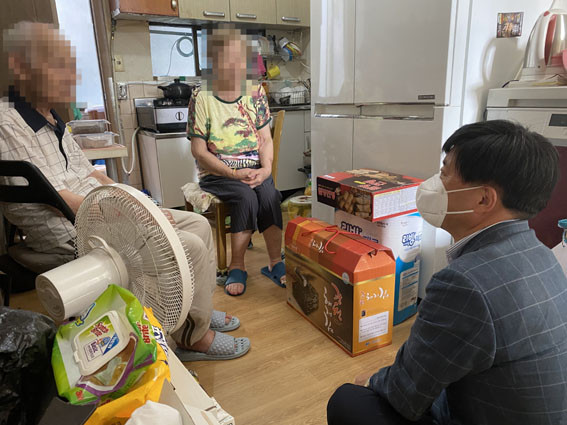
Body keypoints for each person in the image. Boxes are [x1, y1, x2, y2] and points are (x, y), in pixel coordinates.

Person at [0, 21, 249, 362]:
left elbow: (91, 173)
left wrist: (138, 202)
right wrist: (136, 214)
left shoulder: (52, 118)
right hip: (77, 230)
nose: (67, 72)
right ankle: (194, 337)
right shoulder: (8, 122)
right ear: (20, 67)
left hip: (102, 214)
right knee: (187, 246)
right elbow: (57, 200)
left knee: (198, 224)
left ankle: (196, 312)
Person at [327, 120, 567, 424]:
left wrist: (373, 381)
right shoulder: (544, 255)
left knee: (348, 401)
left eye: (444, 173)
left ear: (483, 199)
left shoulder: (464, 284)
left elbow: (405, 397)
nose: (434, 184)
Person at [188, 25, 285, 296]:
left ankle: (275, 262)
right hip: (218, 173)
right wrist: (232, 174)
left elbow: (265, 139)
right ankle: (237, 265)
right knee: (246, 196)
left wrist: (266, 169)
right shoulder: (201, 96)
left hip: (255, 169)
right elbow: (199, 151)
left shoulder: (255, 92)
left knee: (270, 195)